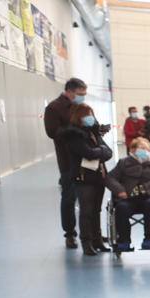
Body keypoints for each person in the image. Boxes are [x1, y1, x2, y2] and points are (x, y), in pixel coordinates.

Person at [105, 137, 150, 252]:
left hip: (149, 197)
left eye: (146, 149)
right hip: (128, 198)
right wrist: (119, 190)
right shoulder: (124, 163)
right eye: (141, 148)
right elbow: (110, 178)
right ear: (132, 150)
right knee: (121, 208)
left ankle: (148, 239)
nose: (144, 151)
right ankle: (124, 241)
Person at [61, 103, 113, 256]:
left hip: (99, 175)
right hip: (83, 177)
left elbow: (108, 152)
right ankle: (86, 243)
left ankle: (97, 240)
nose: (91, 118)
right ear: (80, 116)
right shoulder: (73, 135)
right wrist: (100, 151)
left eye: (92, 114)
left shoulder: (93, 133)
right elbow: (87, 153)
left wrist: (99, 150)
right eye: (88, 114)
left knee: (96, 210)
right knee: (86, 211)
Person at [44, 77, 88, 248]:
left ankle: (91, 232)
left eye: (84, 94)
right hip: (68, 160)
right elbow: (52, 131)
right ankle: (70, 234)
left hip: (86, 157)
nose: (82, 97)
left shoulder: (81, 107)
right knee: (69, 198)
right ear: (69, 91)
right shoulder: (54, 108)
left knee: (89, 197)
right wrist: (73, 130)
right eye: (80, 94)